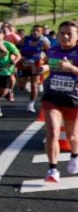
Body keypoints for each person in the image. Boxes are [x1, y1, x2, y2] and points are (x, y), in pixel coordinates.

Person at [40, 21, 78, 183]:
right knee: (53, 132)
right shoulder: (53, 50)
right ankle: (52, 169)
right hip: (52, 96)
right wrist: (43, 68)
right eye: (62, 33)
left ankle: (75, 155)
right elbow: (49, 65)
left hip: (73, 98)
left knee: (72, 136)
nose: (65, 36)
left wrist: (72, 69)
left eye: (69, 33)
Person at [0, 29, 21, 118]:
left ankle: (8, 91)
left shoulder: (8, 45)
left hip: (6, 72)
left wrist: (12, 63)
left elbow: (19, 55)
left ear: (3, 35)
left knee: (0, 94)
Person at [19, 24, 52, 113]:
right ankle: (26, 84)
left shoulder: (44, 41)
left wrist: (46, 60)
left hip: (36, 63)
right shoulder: (25, 39)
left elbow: (49, 52)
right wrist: (20, 56)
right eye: (33, 30)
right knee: (21, 85)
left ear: (41, 32)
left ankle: (31, 104)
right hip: (24, 63)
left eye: (37, 31)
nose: (35, 32)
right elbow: (17, 48)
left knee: (34, 84)